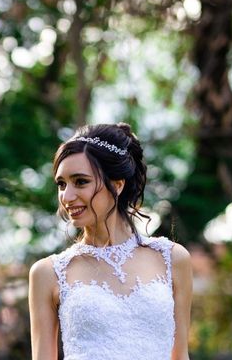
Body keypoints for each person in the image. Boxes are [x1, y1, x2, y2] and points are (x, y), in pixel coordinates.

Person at [29, 123, 192, 360]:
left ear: (117, 185)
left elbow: (180, 356)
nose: (67, 196)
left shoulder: (173, 259)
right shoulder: (48, 273)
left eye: (81, 181)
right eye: (61, 184)